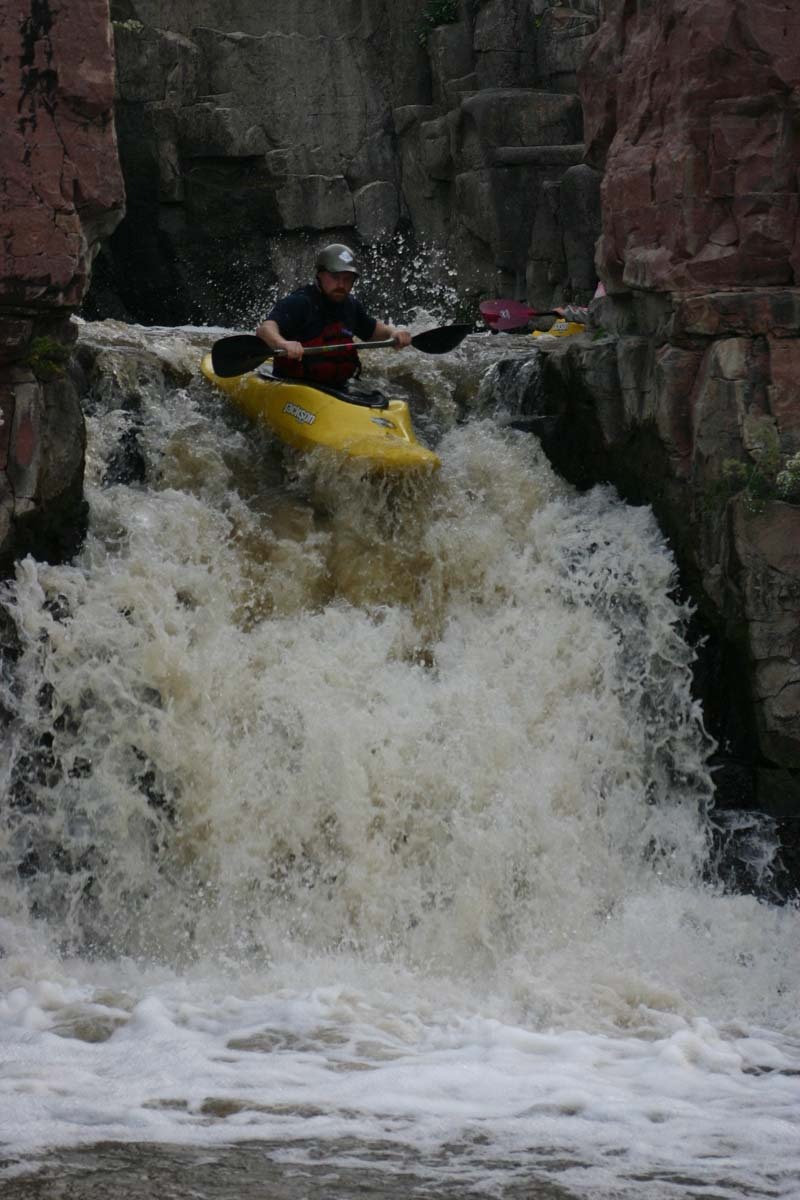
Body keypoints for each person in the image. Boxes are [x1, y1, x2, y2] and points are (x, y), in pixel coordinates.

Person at [255, 243, 412, 388]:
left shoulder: (350, 306)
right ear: (320, 275)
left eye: (347, 279)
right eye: (335, 278)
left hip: (336, 388)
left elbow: (372, 330)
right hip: (295, 385)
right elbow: (265, 330)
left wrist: (394, 332)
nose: (341, 285)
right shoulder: (301, 302)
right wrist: (283, 344)